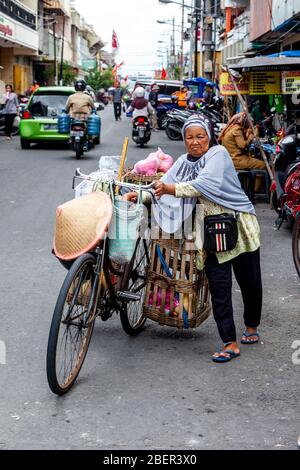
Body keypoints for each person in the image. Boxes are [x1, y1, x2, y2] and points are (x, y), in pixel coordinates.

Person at [124, 114, 263, 363]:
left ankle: (251, 326)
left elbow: (203, 184)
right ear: (184, 139)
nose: (195, 142)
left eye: (200, 136)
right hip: (210, 234)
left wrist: (170, 189)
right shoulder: (182, 162)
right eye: (189, 137)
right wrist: (141, 195)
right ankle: (229, 342)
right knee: (219, 287)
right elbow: (163, 184)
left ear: (209, 137)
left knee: (249, 282)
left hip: (240, 227)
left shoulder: (218, 155)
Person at [219, 112, 266, 185]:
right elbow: (242, 145)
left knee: (254, 161)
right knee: (263, 165)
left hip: (231, 159)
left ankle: (250, 187)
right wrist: (250, 139)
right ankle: (255, 191)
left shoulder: (232, 128)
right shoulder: (237, 130)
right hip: (237, 159)